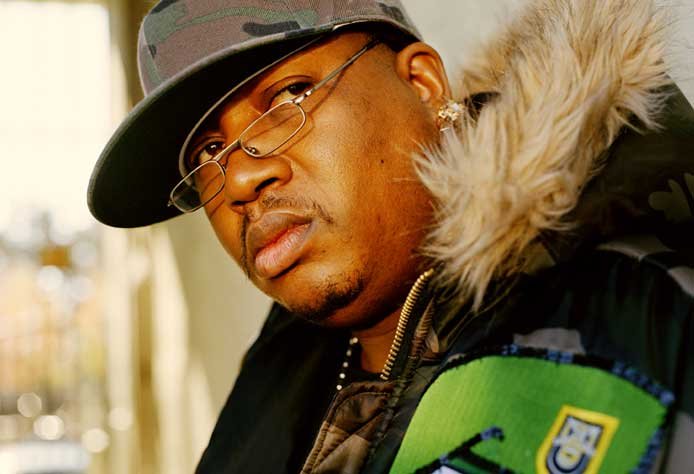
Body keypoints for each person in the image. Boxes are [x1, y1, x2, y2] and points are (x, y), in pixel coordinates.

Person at [88, 0, 694, 472]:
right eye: (208, 154)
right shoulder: (274, 375)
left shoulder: (643, 306)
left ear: (423, 86)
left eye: (288, 96)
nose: (240, 178)